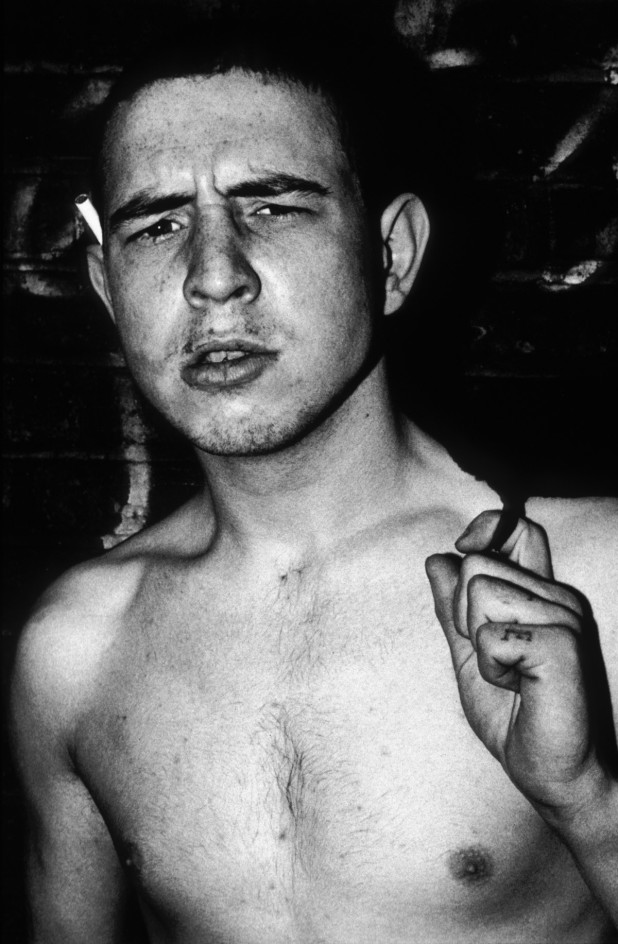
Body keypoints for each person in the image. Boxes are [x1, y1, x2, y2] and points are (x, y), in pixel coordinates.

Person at [9, 7, 618, 943]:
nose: (214, 277)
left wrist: (587, 802)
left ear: (391, 256)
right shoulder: (74, 653)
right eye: (158, 225)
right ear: (105, 286)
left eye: (272, 207)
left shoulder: (594, 584)